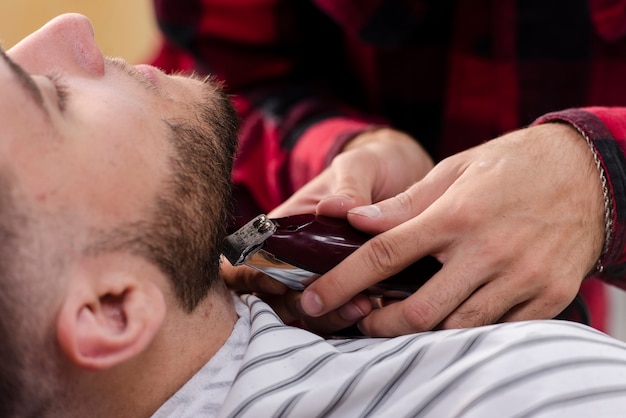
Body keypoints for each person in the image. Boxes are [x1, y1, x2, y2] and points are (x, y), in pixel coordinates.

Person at [7, 12, 626, 418]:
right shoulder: (548, 390)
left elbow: (202, 89)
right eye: (51, 97)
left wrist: (346, 148)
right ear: (112, 308)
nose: (72, 26)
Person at [152, 0, 626, 335]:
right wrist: (348, 145)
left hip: (553, 292)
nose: (81, 31)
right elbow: (227, 78)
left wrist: (600, 176)